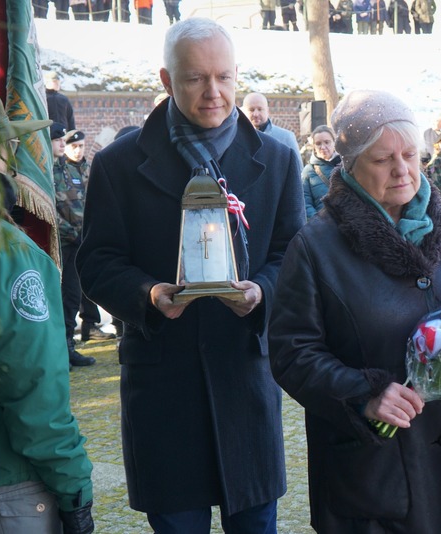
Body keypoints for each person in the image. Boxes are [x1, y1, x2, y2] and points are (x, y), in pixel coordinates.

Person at [76, 18, 304, 532]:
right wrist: (149, 293)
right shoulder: (116, 164)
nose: (213, 92)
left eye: (224, 77)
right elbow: (96, 262)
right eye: (196, 78)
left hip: (244, 379)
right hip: (164, 387)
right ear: (166, 80)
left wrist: (261, 292)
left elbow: (293, 252)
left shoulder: (279, 159)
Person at [269, 89, 441, 533]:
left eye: (409, 154)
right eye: (383, 159)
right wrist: (364, 393)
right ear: (352, 165)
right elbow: (291, 353)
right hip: (374, 476)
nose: (402, 170)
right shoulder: (316, 248)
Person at [0, 81, 94, 534]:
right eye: (10, 143)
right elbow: (34, 392)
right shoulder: (6, 252)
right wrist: (75, 491)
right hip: (3, 483)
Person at [62, 129, 115, 346]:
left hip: (89, 236)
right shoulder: (58, 170)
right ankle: (66, 341)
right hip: (69, 239)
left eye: (81, 146)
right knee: (70, 293)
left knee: (91, 282)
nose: (78, 150)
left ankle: (90, 326)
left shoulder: (89, 168)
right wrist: (73, 234)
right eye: (73, 146)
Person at [53, 126, 98, 367]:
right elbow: (49, 208)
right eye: (58, 141)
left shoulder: (79, 170)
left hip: (78, 242)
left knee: (72, 296)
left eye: (63, 140)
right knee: (57, 297)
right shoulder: (49, 171)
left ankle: (68, 345)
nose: (63, 145)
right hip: (60, 243)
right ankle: (58, 349)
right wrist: (73, 233)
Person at [241, 92, 302, 162]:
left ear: (267, 111)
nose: (256, 114)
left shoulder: (286, 137)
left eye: (260, 109)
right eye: (251, 110)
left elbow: (297, 169)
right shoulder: (236, 137)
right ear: (244, 112)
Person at [303, 125, 341, 218]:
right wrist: (318, 221)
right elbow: (305, 203)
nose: (323, 147)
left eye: (327, 142)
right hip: (322, 225)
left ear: (334, 142)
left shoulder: (346, 166)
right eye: (318, 143)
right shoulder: (308, 171)